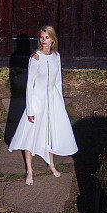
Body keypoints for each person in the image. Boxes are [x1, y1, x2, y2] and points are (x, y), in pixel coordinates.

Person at [8, 25, 78, 185]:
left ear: (53, 39)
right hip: (37, 100)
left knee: (50, 131)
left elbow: (58, 81)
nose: (43, 40)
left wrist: (59, 102)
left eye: (47, 37)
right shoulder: (35, 58)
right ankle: (29, 171)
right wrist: (30, 109)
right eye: (41, 37)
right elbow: (30, 85)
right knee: (30, 133)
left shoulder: (56, 56)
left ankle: (51, 164)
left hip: (52, 101)